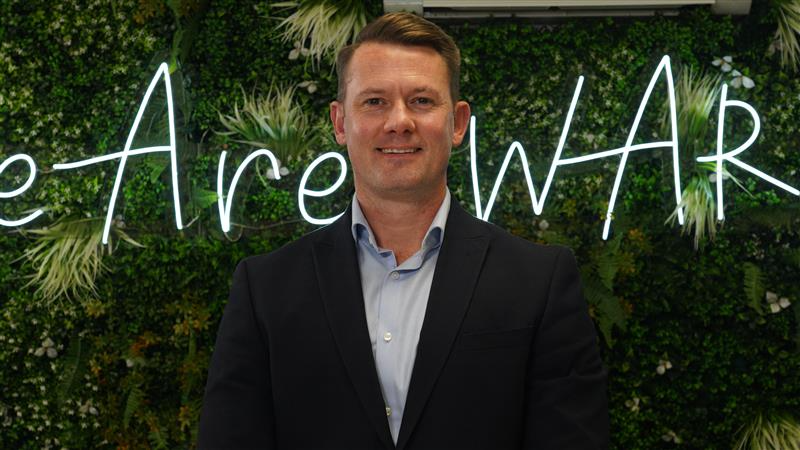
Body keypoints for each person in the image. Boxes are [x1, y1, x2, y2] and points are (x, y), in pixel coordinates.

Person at [198, 12, 608, 450]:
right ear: (340, 122)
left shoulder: (539, 282)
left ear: (458, 122)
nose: (399, 121)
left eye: (422, 101)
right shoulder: (265, 289)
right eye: (374, 101)